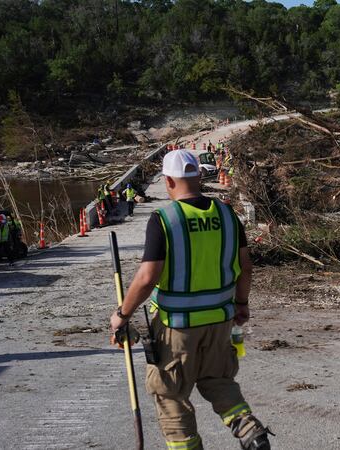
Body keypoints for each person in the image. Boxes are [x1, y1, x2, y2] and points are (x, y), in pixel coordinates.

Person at [109, 150, 271, 450]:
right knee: (218, 381)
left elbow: (147, 277)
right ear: (198, 176)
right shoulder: (227, 215)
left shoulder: (164, 219)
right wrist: (241, 303)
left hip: (177, 327)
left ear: (169, 181)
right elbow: (246, 267)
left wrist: (122, 314)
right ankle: (250, 429)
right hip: (219, 322)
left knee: (169, 394)